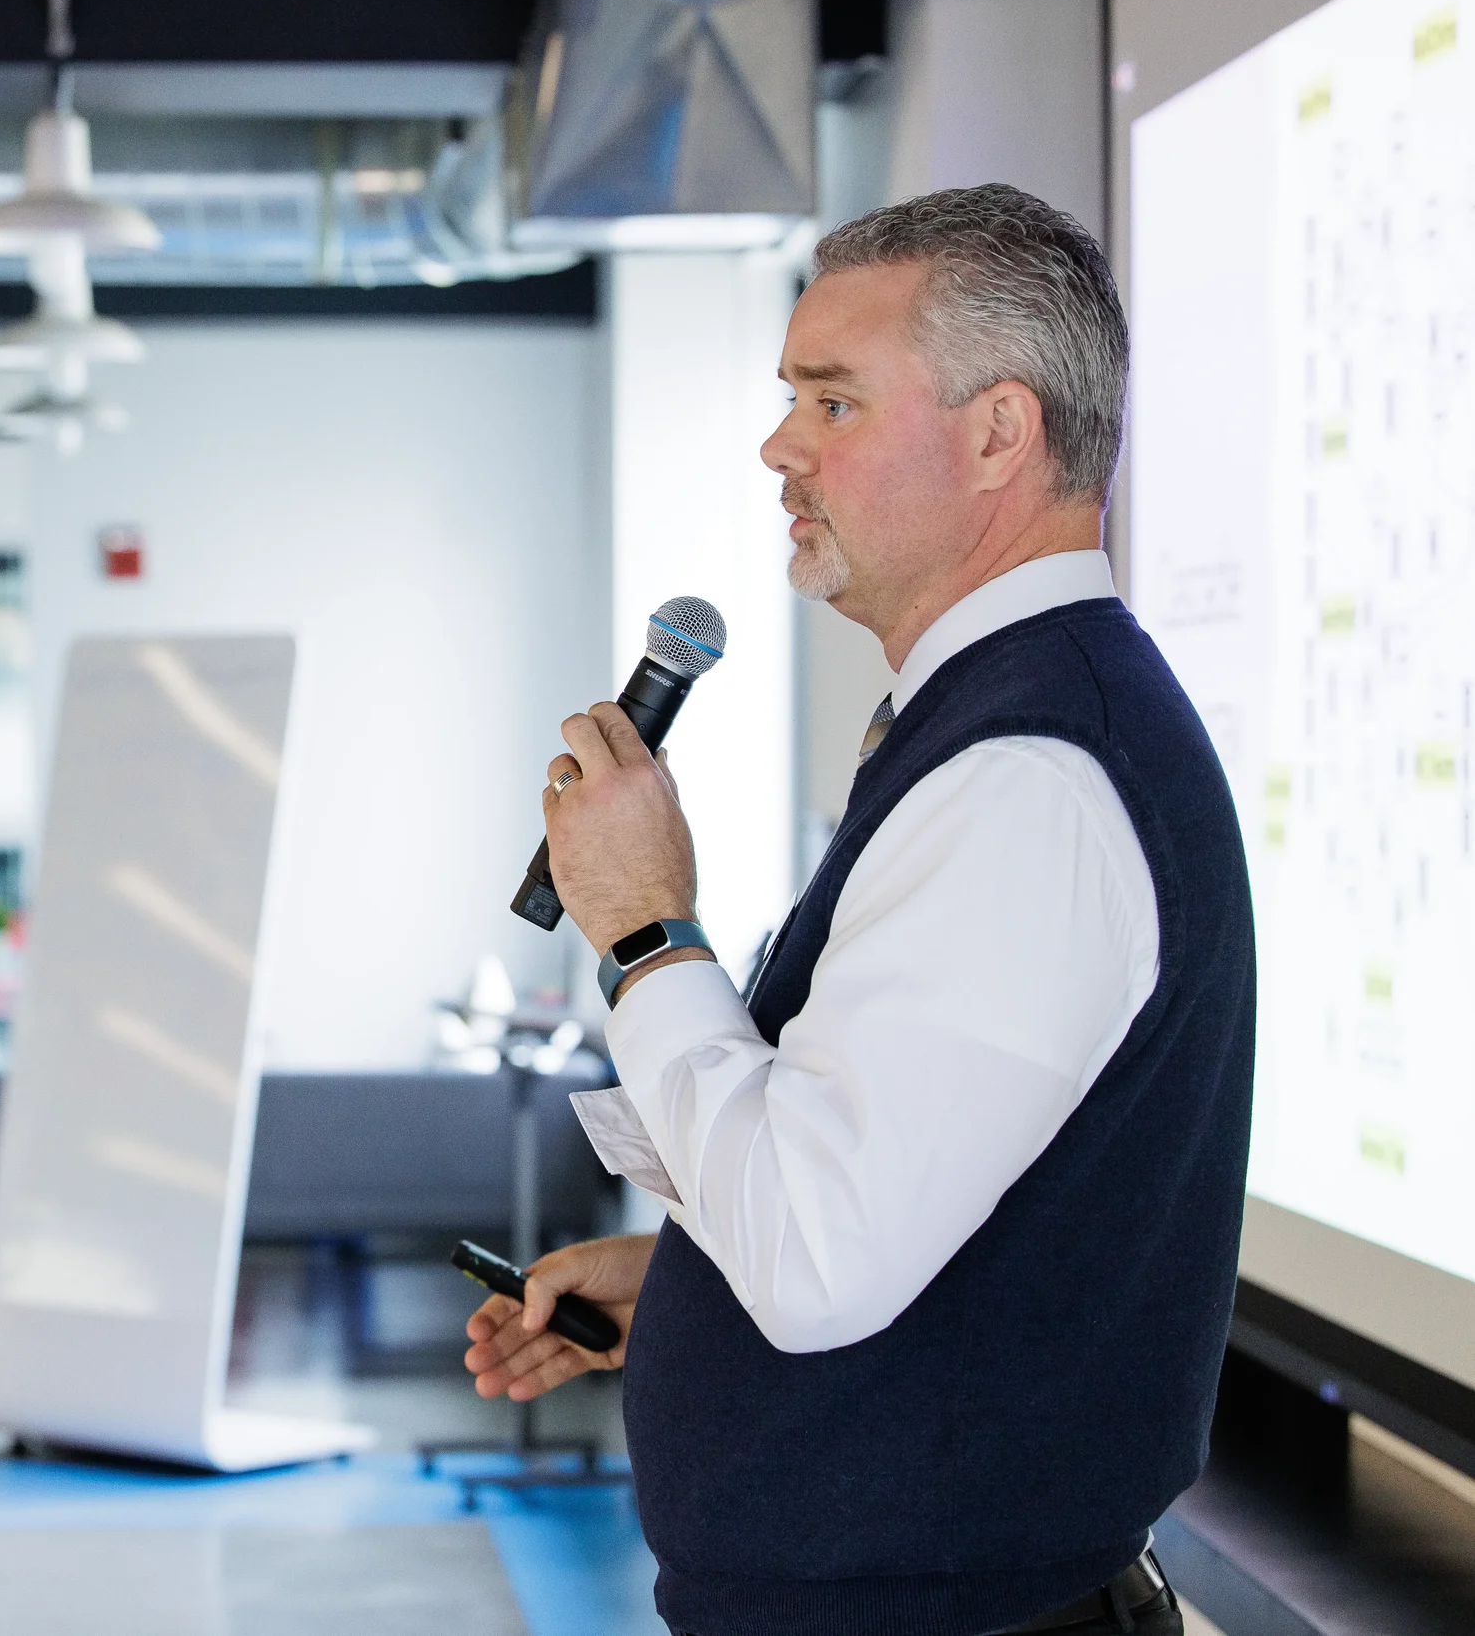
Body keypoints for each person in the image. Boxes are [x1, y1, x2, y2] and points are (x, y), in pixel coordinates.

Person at [464, 185, 1253, 1636]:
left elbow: (821, 1258)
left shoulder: (1030, 778)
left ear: (999, 434)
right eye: (789, 400)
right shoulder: (992, 729)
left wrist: (649, 931)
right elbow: (911, 1199)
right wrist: (690, 1286)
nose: (779, 447)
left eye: (832, 403)